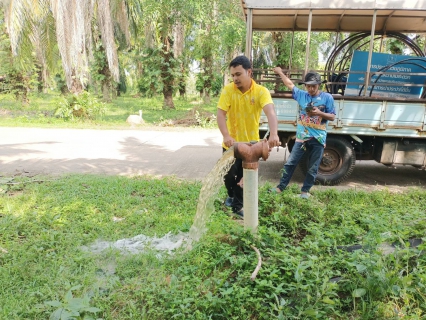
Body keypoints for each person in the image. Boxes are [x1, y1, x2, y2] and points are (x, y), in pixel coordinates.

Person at [217, 56, 280, 218]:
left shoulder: (261, 92)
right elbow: (220, 114)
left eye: (238, 74)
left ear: (249, 72)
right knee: (228, 176)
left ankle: (238, 207)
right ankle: (231, 196)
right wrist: (226, 135)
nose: (235, 78)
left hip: (251, 146)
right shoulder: (228, 90)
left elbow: (270, 112)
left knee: (243, 179)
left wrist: (274, 133)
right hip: (231, 145)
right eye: (232, 75)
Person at [271, 67, 336, 198]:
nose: (311, 89)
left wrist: (319, 113)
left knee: (313, 167)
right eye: (308, 86)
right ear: (305, 86)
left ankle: (305, 191)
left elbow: (333, 117)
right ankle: (280, 187)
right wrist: (280, 73)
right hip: (302, 138)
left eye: (313, 86)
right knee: (290, 163)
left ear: (319, 85)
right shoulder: (301, 95)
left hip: (318, 138)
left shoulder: (327, 98)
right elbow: (289, 84)